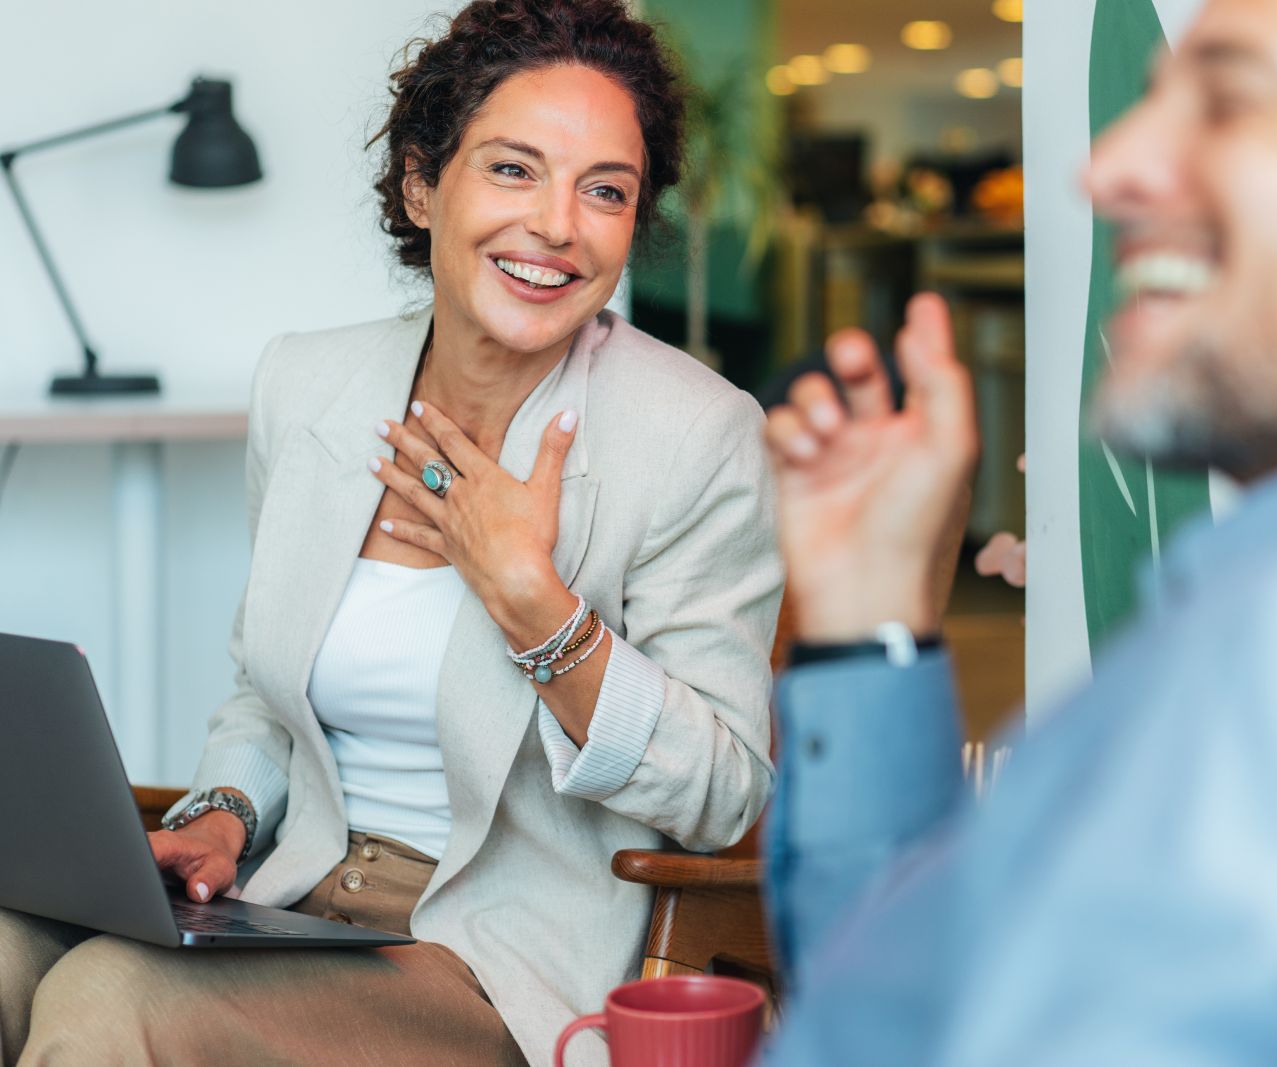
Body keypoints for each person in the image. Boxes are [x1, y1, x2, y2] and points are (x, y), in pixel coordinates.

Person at [760, 0, 1277, 1063]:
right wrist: (867, 615)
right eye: (1154, 100)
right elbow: (939, 1011)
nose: (1105, 164)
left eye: (1233, 99)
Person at [0, 1, 780, 1064]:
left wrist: (535, 604)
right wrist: (225, 811)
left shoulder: (692, 435)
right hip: (286, 904)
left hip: (492, 964)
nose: (557, 223)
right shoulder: (308, 384)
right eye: (513, 169)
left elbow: (724, 788)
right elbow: (262, 696)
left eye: (604, 190)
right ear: (422, 185)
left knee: (108, 993)